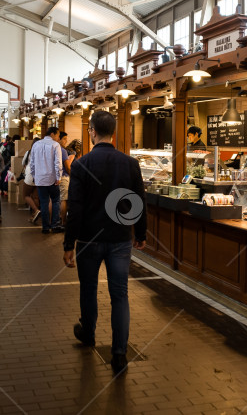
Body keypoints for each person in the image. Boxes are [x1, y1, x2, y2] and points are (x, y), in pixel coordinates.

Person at [63, 111, 147, 374]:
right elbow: (138, 202)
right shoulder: (130, 164)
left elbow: (75, 208)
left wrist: (68, 243)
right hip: (120, 239)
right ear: (114, 132)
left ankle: (88, 334)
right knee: (119, 295)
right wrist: (141, 234)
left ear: (92, 132)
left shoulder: (80, 164)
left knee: (88, 289)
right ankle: (119, 353)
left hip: (89, 238)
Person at [30, 126, 63, 233]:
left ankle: (45, 227)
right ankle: (55, 225)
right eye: (58, 135)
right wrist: (59, 177)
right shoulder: (55, 145)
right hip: (52, 179)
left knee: (43, 202)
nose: (58, 137)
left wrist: (35, 176)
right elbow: (58, 163)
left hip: (40, 179)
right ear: (52, 134)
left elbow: (32, 163)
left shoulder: (36, 144)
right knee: (56, 201)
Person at [20, 137, 41, 223]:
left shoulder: (29, 152)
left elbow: (23, 163)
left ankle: (36, 210)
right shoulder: (42, 153)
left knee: (25, 195)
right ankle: (34, 216)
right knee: (36, 197)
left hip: (30, 175)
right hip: (39, 176)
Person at [59, 131, 72, 225]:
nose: (65, 142)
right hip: (63, 177)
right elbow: (67, 167)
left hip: (53, 178)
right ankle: (63, 221)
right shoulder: (62, 150)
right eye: (64, 139)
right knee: (64, 199)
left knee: (54, 200)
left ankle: (53, 221)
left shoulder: (52, 149)